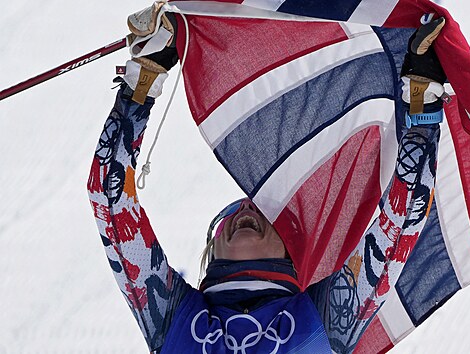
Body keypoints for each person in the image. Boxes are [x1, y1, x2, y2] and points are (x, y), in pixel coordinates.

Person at [87, 4, 447, 353]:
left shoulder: (172, 321)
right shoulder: (323, 323)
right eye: (258, 209)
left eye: (260, 211)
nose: (248, 207)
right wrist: (422, 103)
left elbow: (108, 196)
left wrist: (144, 81)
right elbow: (402, 218)